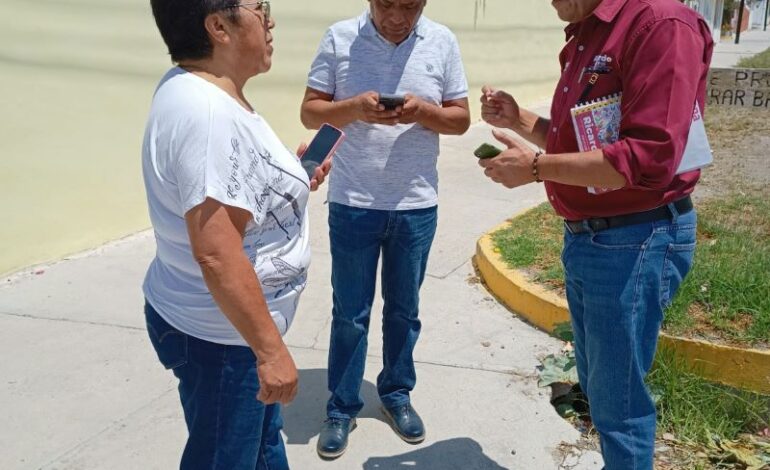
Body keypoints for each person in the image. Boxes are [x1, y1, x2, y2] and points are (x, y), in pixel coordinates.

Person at [478, 0, 713, 469]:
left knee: (618, 403)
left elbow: (647, 160)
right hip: (593, 238)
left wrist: (537, 169)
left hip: (636, 239)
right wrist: (520, 120)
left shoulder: (660, 24)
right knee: (600, 386)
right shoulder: (587, 31)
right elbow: (587, 141)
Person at [142, 1, 330, 468]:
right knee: (224, 458)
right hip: (225, 343)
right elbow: (218, 255)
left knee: (262, 449)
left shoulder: (204, 92)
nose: (271, 21)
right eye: (260, 7)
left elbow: (228, 185)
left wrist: (287, 178)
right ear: (218, 26)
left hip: (226, 334)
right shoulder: (209, 116)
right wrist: (269, 352)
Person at [300, 0, 471, 459]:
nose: (397, 17)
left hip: (415, 205)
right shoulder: (339, 38)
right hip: (354, 203)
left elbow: (460, 119)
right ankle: (341, 406)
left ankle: (396, 395)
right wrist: (353, 108)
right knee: (350, 312)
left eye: (410, 6)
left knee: (404, 310)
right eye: (387, 5)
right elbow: (310, 113)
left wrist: (422, 112)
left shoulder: (442, 41)